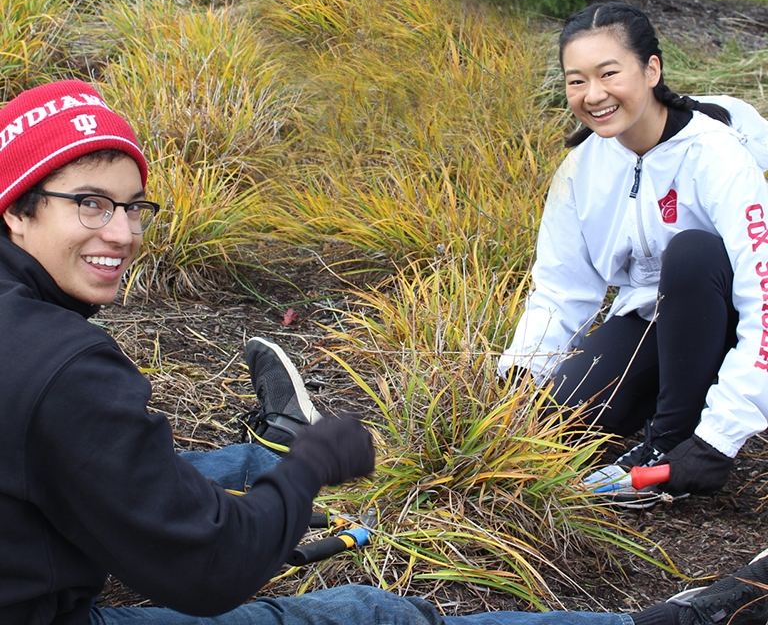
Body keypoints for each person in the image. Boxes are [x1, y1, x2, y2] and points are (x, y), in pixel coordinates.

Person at [1, 80, 765, 625]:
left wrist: (718, 428)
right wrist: (310, 472)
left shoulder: (721, 153)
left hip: (684, 337)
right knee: (369, 611)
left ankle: (265, 450)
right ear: (18, 211)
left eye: (133, 207)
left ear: (653, 73)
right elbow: (210, 569)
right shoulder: (66, 367)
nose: (126, 233)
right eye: (90, 204)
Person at [498, 1, 768, 506]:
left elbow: (764, 297)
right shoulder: (582, 169)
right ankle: (670, 404)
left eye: (609, 74)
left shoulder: (717, 155)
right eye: (576, 80)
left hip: (728, 320)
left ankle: (669, 443)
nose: (593, 95)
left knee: (691, 254)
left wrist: (720, 438)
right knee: (550, 425)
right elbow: (561, 287)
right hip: (653, 319)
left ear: (651, 69)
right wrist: (519, 378)